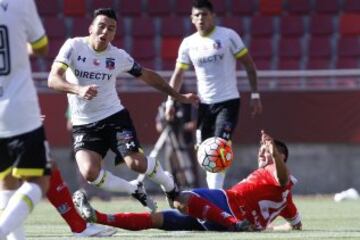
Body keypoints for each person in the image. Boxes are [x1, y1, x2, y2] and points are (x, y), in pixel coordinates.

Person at [47, 8, 199, 212]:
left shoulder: (117, 56)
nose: (105, 32)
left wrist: (177, 96)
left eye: (111, 29)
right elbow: (53, 79)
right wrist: (77, 89)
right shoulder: (74, 46)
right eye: (101, 26)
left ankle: (171, 188)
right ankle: (133, 189)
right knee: (89, 173)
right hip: (83, 124)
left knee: (136, 164)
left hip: (113, 117)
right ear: (91, 28)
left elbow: (147, 75)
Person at [0, 0, 115, 238]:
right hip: (17, 108)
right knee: (40, 178)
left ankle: (78, 227)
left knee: (9, 182)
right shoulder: (20, 4)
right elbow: (40, 46)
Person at [73, 130, 302, 232]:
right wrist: (269, 228)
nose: (263, 154)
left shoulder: (276, 170)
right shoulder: (287, 201)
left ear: (282, 156)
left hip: (227, 204)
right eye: (262, 151)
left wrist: (274, 154)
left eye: (268, 151)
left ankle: (231, 222)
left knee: (182, 198)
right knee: (156, 220)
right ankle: (98, 217)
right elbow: (296, 225)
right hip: (221, 220)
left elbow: (281, 179)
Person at [165, 0, 263, 189]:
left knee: (219, 147)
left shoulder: (228, 36)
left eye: (205, 14)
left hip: (228, 102)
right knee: (204, 150)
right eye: (197, 15)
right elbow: (178, 74)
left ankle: (216, 195)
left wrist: (255, 95)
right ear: (192, 19)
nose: (201, 18)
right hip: (203, 105)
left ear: (212, 16)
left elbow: (249, 66)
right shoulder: (188, 43)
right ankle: (214, 193)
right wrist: (170, 102)